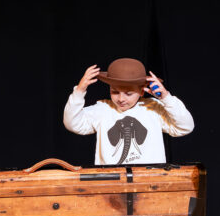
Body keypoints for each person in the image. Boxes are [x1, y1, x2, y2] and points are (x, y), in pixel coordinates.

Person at [63, 58, 193, 165]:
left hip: (149, 184)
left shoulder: (153, 108)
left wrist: (166, 98)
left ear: (142, 91)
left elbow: (185, 127)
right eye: (114, 92)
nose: (121, 99)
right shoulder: (102, 109)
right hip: (112, 184)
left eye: (128, 93)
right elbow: (72, 123)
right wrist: (79, 91)